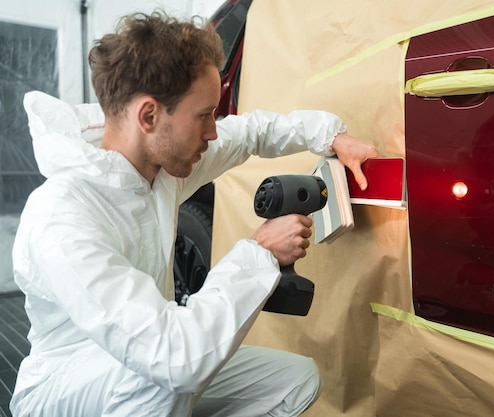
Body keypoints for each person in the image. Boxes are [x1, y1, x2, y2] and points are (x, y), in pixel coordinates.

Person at [10, 11, 379, 417]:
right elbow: (171, 356)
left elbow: (250, 132)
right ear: (149, 116)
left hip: (146, 367)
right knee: (161, 374)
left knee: (294, 380)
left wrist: (333, 136)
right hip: (64, 387)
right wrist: (260, 252)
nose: (213, 132)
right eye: (204, 116)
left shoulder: (159, 169)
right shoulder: (62, 217)